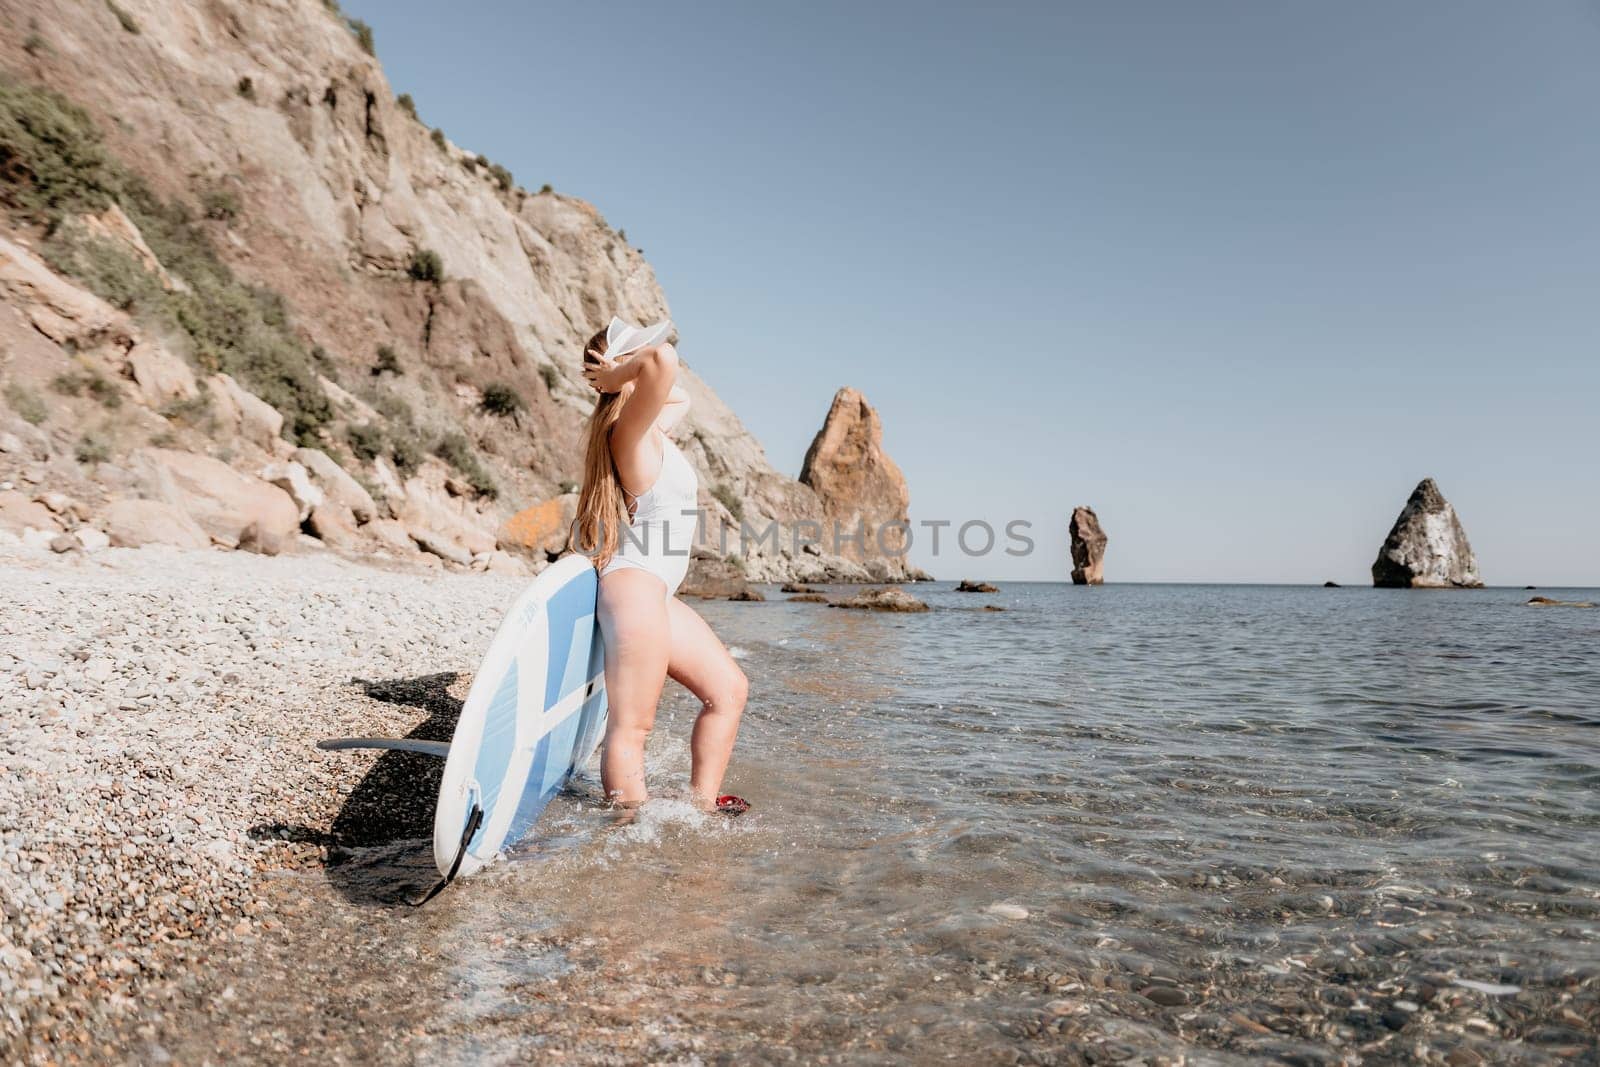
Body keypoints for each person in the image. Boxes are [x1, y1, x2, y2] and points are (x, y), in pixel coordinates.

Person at [570, 320, 750, 815]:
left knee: (729, 690)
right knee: (633, 726)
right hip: (635, 586)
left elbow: (677, 396)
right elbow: (661, 363)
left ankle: (701, 805)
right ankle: (629, 831)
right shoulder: (626, 434)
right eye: (637, 348)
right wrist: (613, 377)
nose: (651, 349)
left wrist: (621, 374)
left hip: (656, 593)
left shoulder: (651, 430)